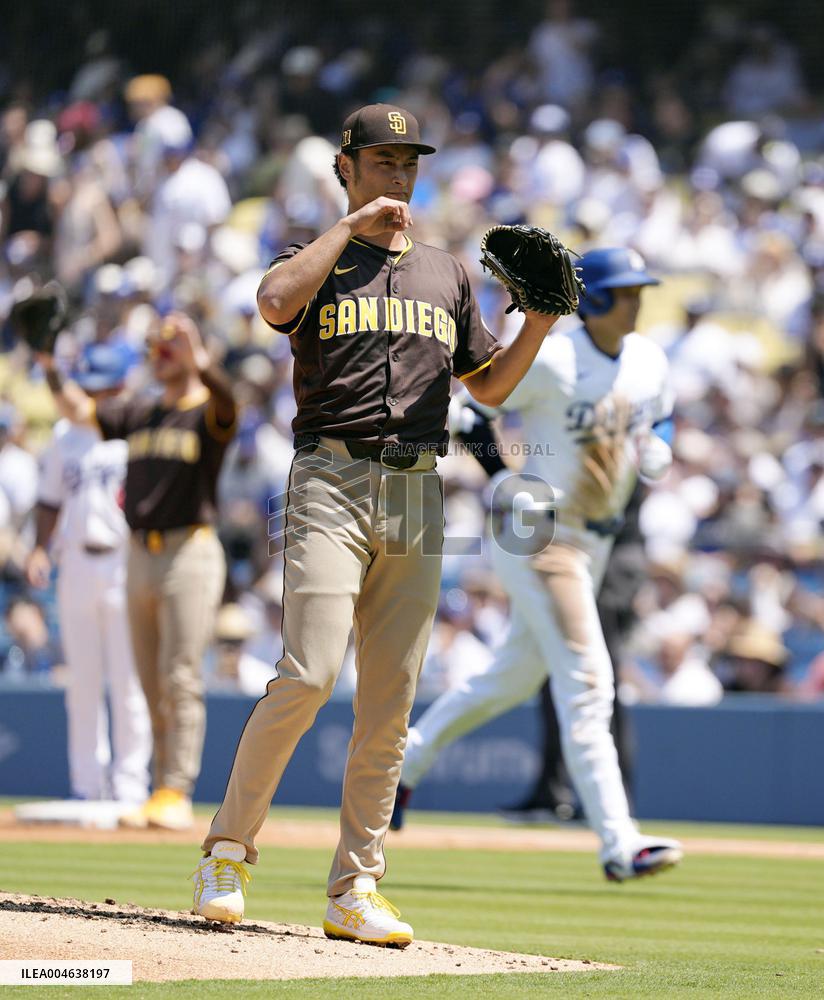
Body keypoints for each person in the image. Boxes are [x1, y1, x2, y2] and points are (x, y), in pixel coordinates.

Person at [190, 103, 560, 946]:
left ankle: (354, 888)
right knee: (311, 673)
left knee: (390, 700)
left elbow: (491, 387)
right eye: (383, 160)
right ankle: (227, 851)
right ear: (347, 168)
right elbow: (274, 304)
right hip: (329, 474)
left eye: (409, 161)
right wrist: (348, 227)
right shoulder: (311, 258)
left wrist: (535, 322)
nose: (400, 174)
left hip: (419, 489)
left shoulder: (446, 272)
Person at [392, 247, 685, 882]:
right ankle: (618, 840)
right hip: (543, 530)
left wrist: (658, 444)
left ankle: (401, 766)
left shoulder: (648, 358)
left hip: (598, 538)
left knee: (513, 678)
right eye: (627, 291)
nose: (637, 301)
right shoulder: (555, 356)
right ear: (598, 298)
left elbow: (660, 415)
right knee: (586, 680)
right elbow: (471, 410)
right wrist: (505, 476)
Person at [37, 310, 236, 830]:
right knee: (149, 681)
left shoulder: (206, 410)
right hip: (139, 553)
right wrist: (48, 364)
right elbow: (77, 410)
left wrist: (202, 358)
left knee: (179, 675)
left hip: (189, 547)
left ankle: (175, 788)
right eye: (158, 348)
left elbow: (230, 405)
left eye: (170, 348)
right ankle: (156, 787)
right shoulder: (143, 413)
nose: (161, 354)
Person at [25, 343, 151, 806]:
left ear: (123, 384)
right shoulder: (65, 435)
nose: (99, 393)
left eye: (107, 384)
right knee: (81, 680)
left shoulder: (135, 427)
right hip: (76, 560)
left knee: (128, 679)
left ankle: (131, 785)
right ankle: (86, 785)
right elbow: (49, 499)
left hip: (124, 558)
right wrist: (40, 547)